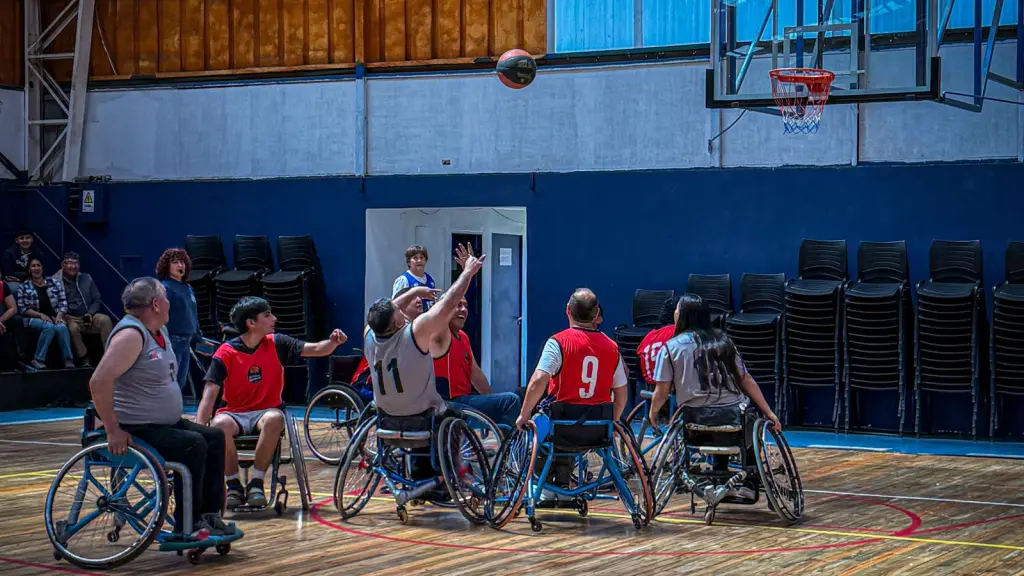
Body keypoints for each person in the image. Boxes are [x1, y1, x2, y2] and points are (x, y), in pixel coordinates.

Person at [88, 277, 234, 538]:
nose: (170, 303)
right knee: (192, 444)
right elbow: (98, 382)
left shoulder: (160, 331)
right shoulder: (131, 335)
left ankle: (209, 514)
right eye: (166, 297)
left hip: (163, 423)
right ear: (156, 304)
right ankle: (188, 524)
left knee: (213, 436)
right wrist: (112, 430)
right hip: (136, 428)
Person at [195, 297, 346, 509]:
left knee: (276, 418)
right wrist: (200, 429)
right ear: (251, 323)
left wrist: (332, 342)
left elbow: (316, 349)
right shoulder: (226, 353)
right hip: (234, 413)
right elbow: (209, 395)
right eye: (267, 315)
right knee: (219, 425)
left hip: (265, 411)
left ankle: (257, 482)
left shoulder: (277, 343)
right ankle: (233, 485)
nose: (274, 318)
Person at [364, 244, 484, 488]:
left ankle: (421, 474)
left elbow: (385, 310)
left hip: (386, 418)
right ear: (399, 320)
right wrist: (467, 272)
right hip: (420, 418)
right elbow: (448, 303)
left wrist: (413, 291)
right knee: (453, 413)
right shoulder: (416, 334)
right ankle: (448, 474)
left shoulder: (368, 336)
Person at [647, 294, 781, 501]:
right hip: (733, 418)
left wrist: (653, 413)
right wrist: (769, 412)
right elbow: (746, 380)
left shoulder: (670, 348)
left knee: (710, 423)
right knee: (747, 421)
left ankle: (720, 480)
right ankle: (750, 479)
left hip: (695, 421)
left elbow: (661, 392)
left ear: (683, 315)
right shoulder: (724, 342)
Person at [515, 288, 628, 495]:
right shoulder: (612, 348)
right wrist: (613, 421)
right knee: (565, 420)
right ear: (596, 315)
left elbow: (539, 379)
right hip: (597, 427)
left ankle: (545, 486)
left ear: (568, 310)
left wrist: (524, 414)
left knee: (537, 426)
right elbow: (621, 392)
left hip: (562, 423)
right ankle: (563, 483)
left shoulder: (559, 342)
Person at [430, 295, 521, 428]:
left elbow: (476, 375)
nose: (463, 310)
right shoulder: (439, 335)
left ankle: (500, 441)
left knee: (509, 401)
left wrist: (491, 400)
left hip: (464, 400)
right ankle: (503, 444)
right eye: (458, 305)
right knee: (512, 401)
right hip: (447, 402)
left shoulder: (463, 337)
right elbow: (439, 315)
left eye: (466, 306)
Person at [52, 252, 113, 368]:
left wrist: (90, 313)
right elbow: (53, 303)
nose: (73, 266)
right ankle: (84, 358)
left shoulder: (86, 277)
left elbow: (97, 299)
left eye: (76, 263)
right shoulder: (54, 281)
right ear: (62, 265)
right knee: (73, 328)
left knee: (105, 320)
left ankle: (109, 356)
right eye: (69, 263)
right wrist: (62, 315)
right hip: (69, 316)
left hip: (87, 315)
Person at [155, 248, 201, 394]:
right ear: (166, 266)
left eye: (182, 262)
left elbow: (192, 313)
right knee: (170, 380)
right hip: (173, 339)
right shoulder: (165, 288)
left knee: (180, 381)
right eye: (175, 262)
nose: (180, 265)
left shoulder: (188, 288)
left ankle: (175, 414)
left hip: (187, 340)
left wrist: (198, 335)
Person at [16, 258, 74, 370]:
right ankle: (38, 359)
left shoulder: (54, 282)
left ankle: (68, 359)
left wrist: (59, 315)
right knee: (49, 327)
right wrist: (40, 315)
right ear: (29, 269)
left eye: (38, 265)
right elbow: (23, 309)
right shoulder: (24, 286)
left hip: (54, 316)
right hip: (33, 318)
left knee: (61, 327)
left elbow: (63, 302)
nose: (36, 268)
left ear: (42, 267)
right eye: (33, 266)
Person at [391, 244, 436, 312]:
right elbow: (395, 305)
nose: (419, 261)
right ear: (409, 262)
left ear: (426, 260)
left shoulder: (430, 279)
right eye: (415, 258)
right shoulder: (403, 279)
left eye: (421, 257)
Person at [0, 278, 27, 371]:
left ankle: (21, 358)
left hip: (1, 319)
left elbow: (13, 308)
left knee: (17, 319)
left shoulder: (2, 285)